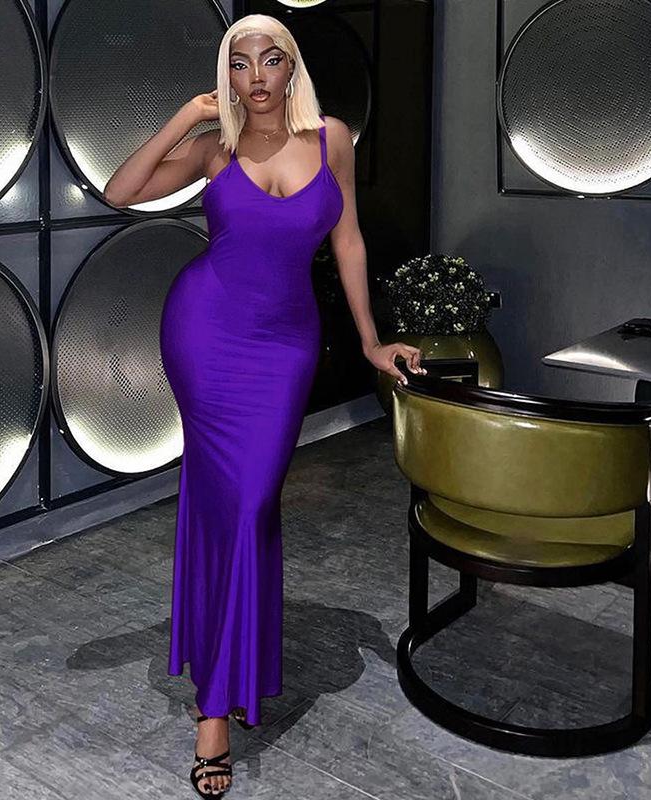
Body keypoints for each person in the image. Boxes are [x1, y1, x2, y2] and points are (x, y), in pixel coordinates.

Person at [103, 13, 424, 797]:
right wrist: (185, 115)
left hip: (283, 349)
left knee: (249, 508)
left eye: (270, 59)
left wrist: (371, 340)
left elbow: (348, 241)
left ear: (291, 69)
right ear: (228, 75)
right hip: (204, 333)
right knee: (231, 506)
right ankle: (216, 708)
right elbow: (121, 191)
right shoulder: (214, 148)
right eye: (239, 62)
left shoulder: (332, 138)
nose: (255, 76)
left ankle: (233, 663)